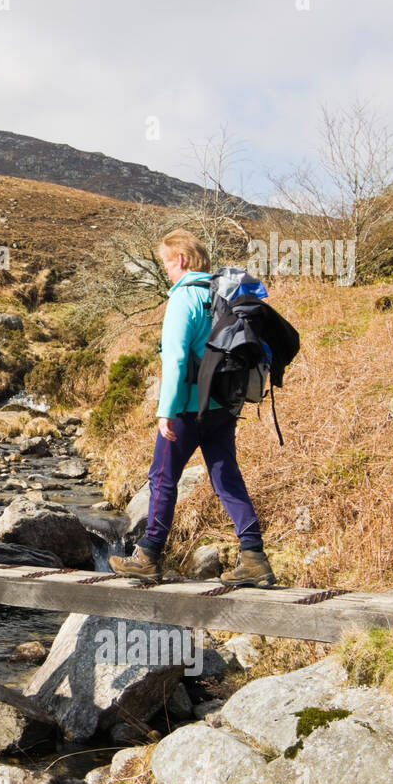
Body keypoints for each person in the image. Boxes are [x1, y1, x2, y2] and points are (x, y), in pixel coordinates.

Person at [109, 229, 275, 586]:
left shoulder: (183, 298)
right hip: (223, 406)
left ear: (180, 260)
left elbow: (177, 358)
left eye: (167, 264)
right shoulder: (221, 295)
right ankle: (254, 557)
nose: (167, 271)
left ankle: (148, 555)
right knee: (226, 478)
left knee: (162, 478)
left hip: (186, 408)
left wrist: (164, 409)